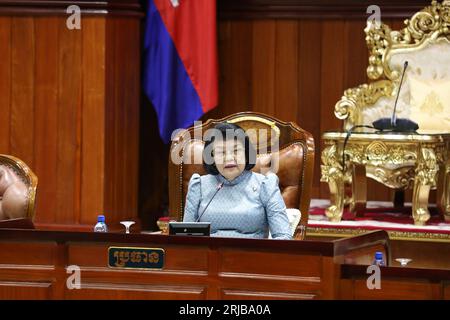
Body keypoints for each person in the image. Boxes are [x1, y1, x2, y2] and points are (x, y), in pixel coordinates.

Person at [183, 122, 292, 239]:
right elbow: (185, 236)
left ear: (246, 153)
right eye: (221, 152)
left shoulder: (265, 185)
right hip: (207, 255)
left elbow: (283, 237)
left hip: (252, 254)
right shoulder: (199, 186)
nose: (229, 158)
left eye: (236, 151)